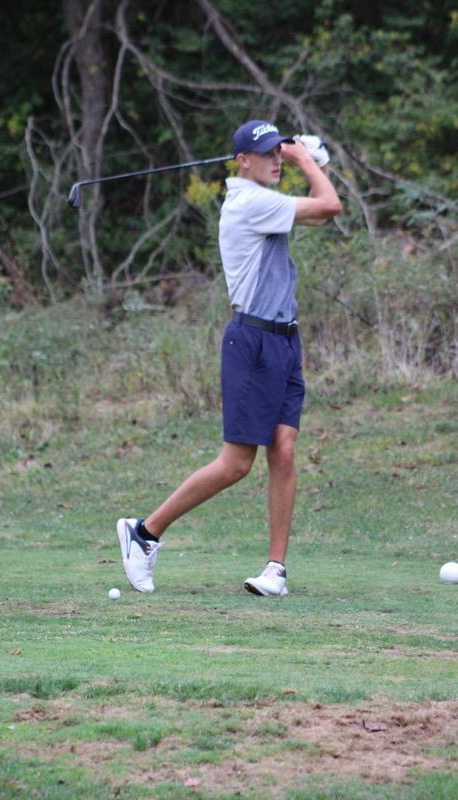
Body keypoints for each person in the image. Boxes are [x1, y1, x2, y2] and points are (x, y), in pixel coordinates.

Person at [117, 120, 342, 596]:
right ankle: (144, 533)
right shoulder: (248, 202)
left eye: (279, 152)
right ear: (242, 161)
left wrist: (307, 165)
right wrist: (308, 162)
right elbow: (331, 204)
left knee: (282, 449)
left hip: (285, 340)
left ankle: (275, 571)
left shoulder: (265, 198)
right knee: (237, 463)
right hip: (252, 342)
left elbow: (322, 215)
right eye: (267, 154)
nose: (277, 160)